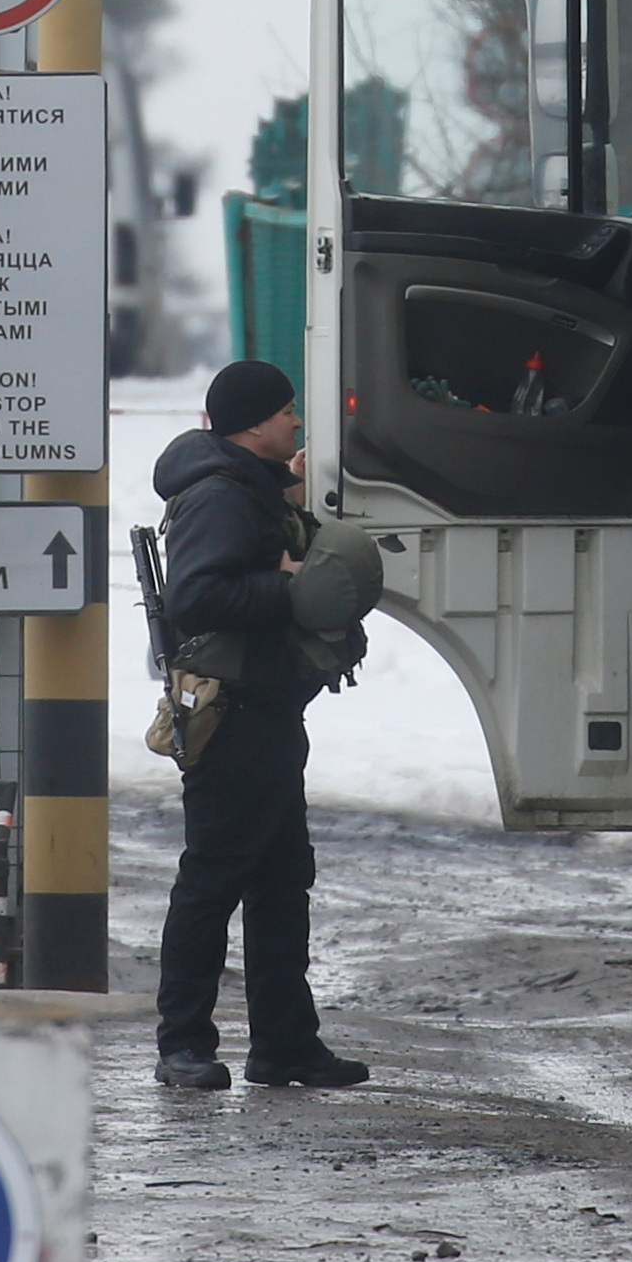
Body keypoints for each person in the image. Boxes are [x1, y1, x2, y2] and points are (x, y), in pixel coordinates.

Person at [147, 359, 370, 1091]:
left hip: (264, 712)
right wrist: (288, 586)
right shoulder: (219, 496)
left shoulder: (244, 485)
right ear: (252, 422)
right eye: (285, 413)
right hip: (234, 716)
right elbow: (197, 596)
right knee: (212, 880)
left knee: (280, 883)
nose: (296, 422)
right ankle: (183, 1043)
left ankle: (284, 1045)